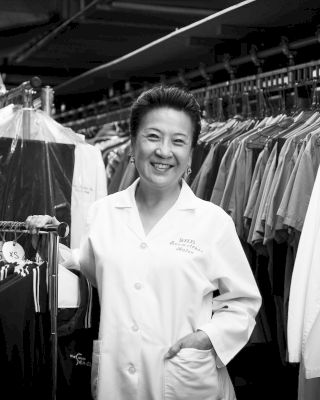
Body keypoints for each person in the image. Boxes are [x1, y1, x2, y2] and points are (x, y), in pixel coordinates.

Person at [26, 86, 261, 400]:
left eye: (178, 141)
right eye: (153, 136)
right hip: (117, 380)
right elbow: (94, 269)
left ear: (191, 153)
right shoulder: (103, 212)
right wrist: (49, 247)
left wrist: (206, 338)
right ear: (133, 143)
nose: (164, 151)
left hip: (185, 380)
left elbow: (242, 303)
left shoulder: (213, 222)